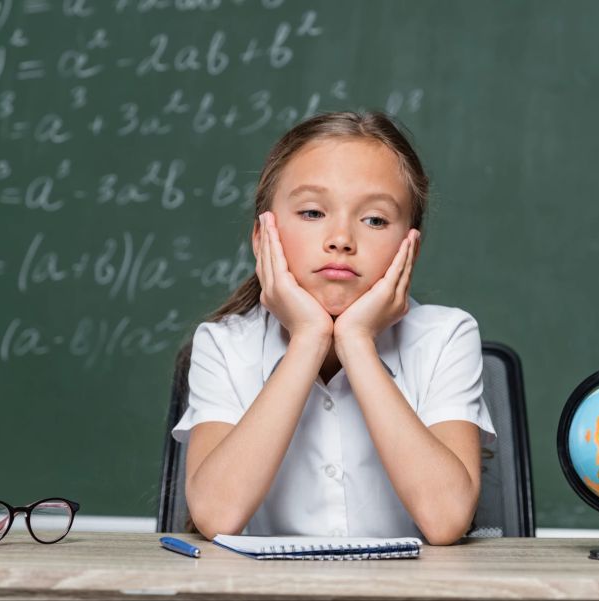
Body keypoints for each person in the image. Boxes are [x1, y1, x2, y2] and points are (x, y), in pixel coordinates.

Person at [172, 111, 495, 545]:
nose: (341, 239)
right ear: (261, 238)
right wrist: (308, 338)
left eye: (375, 220)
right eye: (312, 212)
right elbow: (216, 514)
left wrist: (356, 341)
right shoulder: (224, 344)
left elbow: (446, 519)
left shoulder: (447, 336)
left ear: (410, 251)